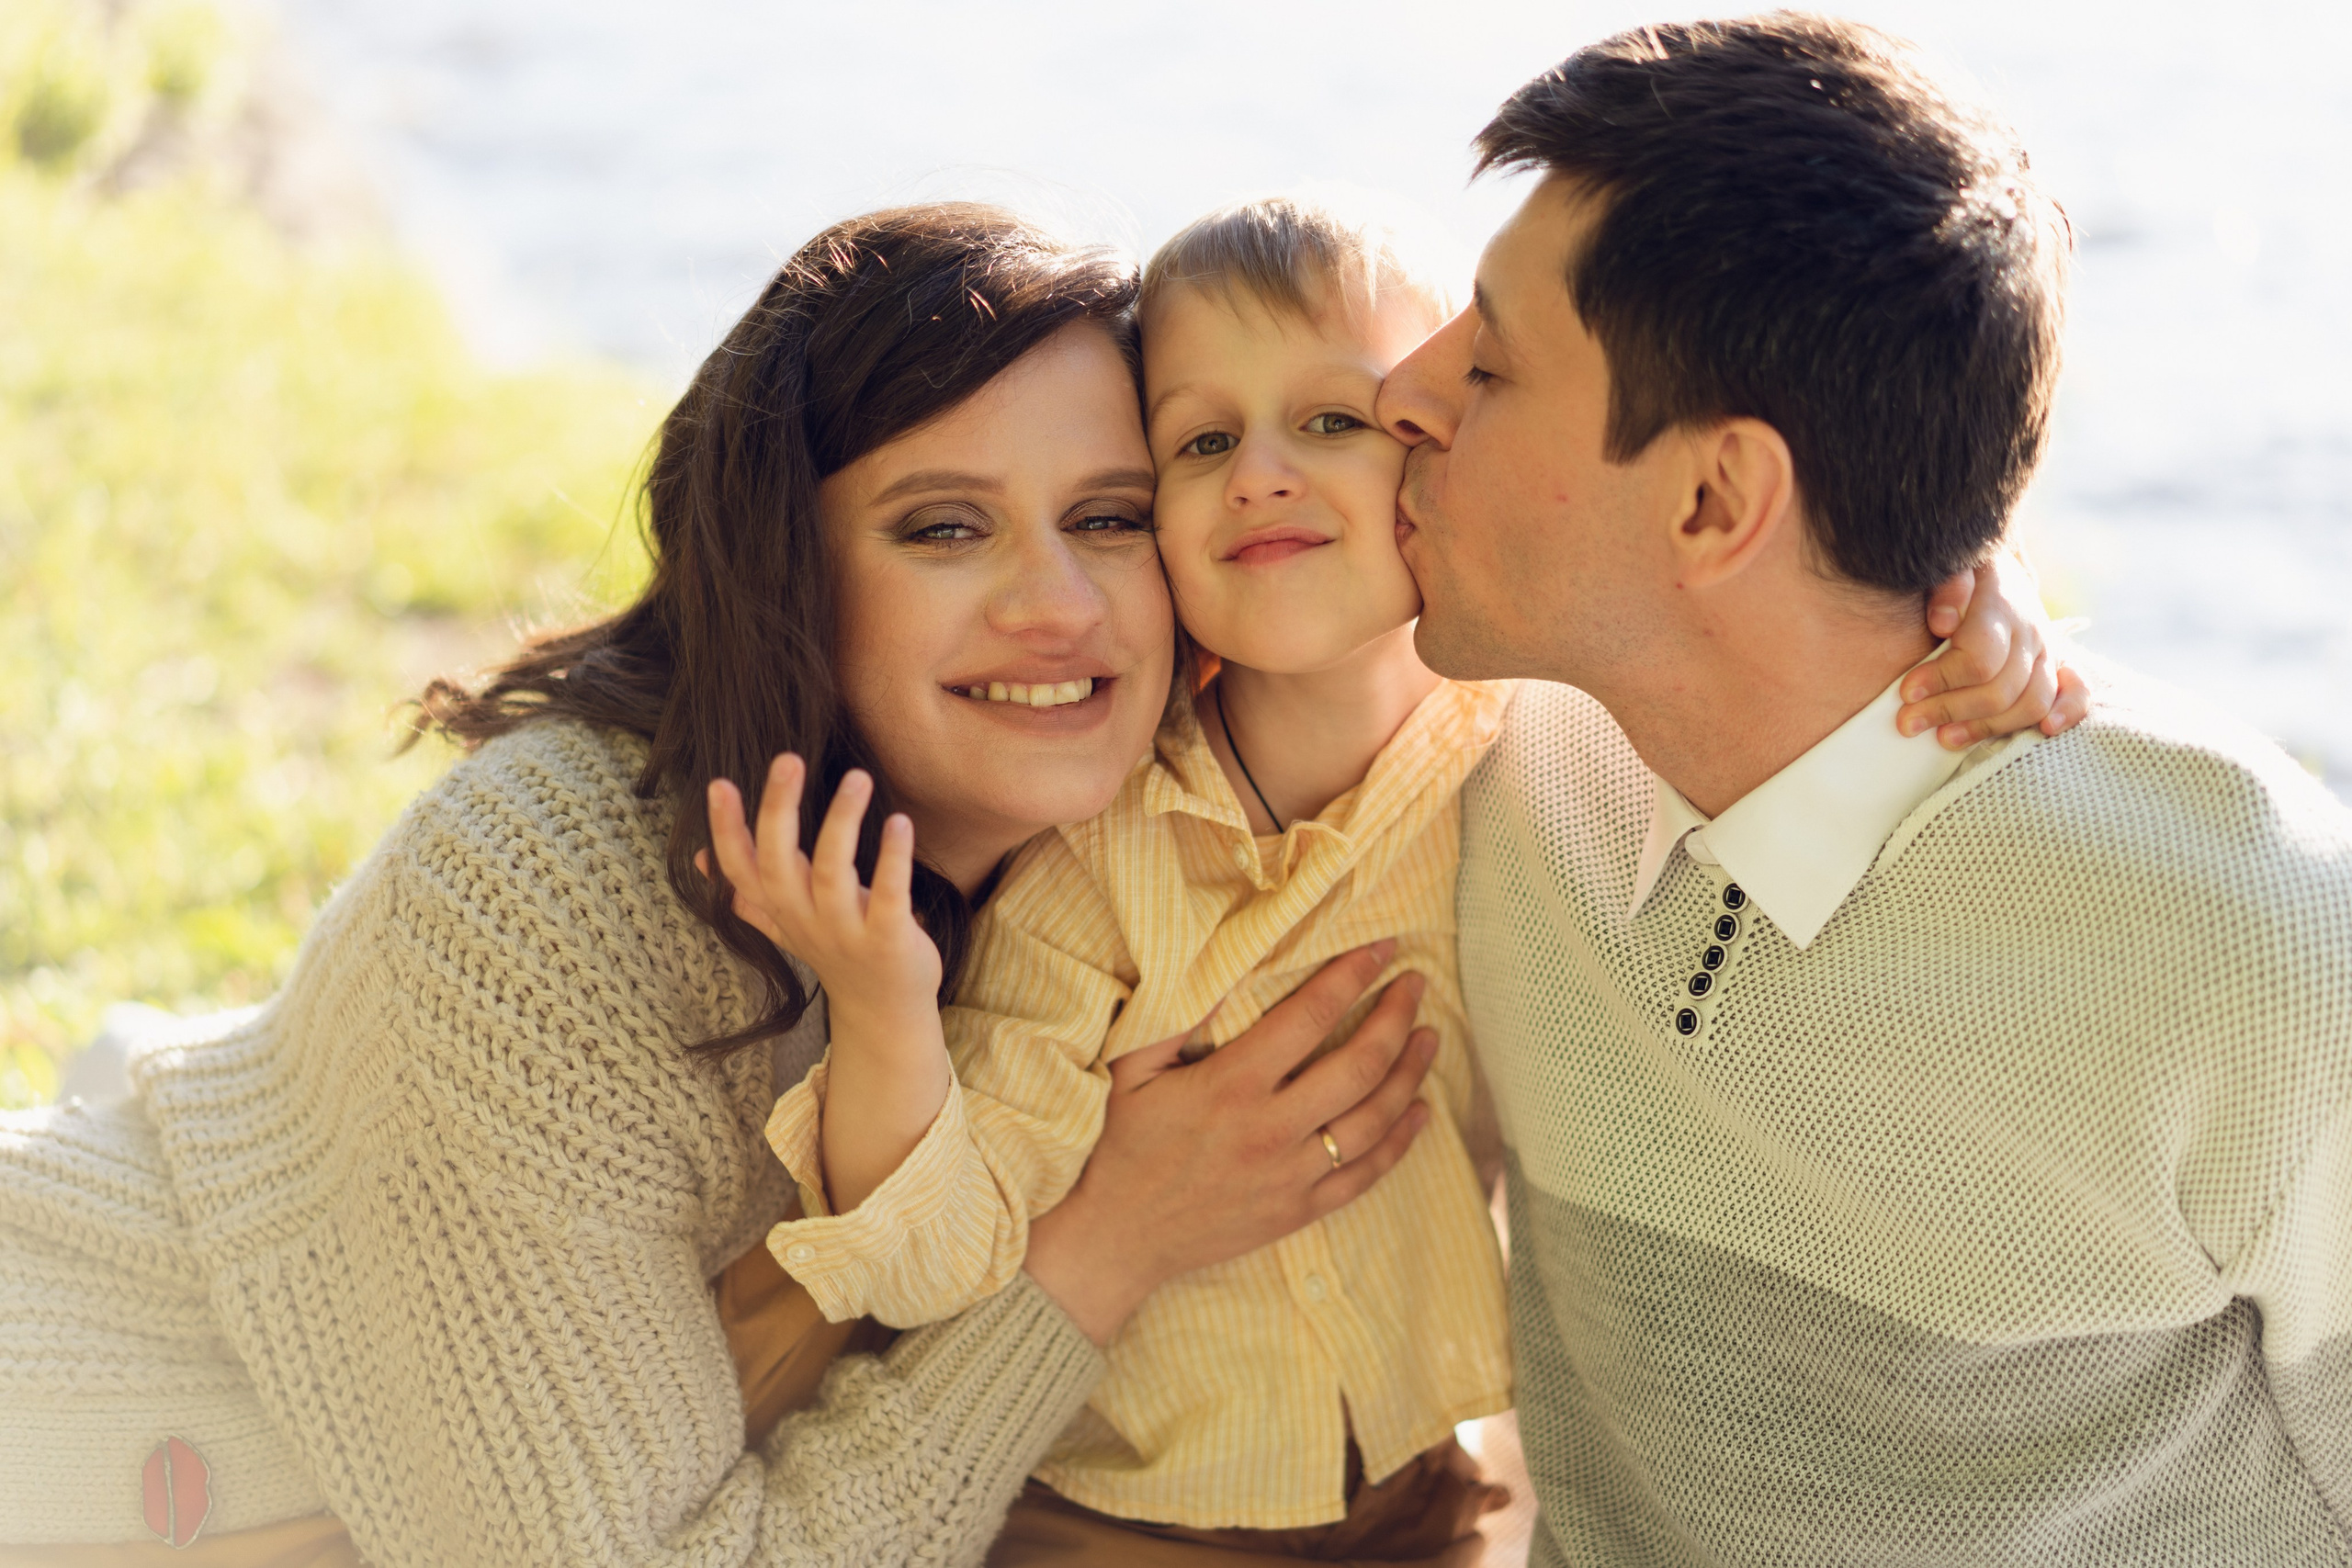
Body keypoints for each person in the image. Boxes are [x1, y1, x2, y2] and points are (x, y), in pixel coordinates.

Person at [0, 204, 1445, 1568]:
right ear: (785, 577)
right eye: (945, 526)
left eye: (1112, 516)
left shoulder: (1104, 840)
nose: (1058, 604)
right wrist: (1106, 1249)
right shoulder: (555, 894)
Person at [718, 192, 2084, 1562]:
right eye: (1200, 442)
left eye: (1333, 422)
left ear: (1442, 459)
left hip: (1433, 1501)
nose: (1259, 473)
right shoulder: (1101, 866)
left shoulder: (1540, 748)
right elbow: (926, 1262)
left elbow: (1746, 599)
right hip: (1120, 1520)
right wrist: (889, 1010)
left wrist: (1970, 577)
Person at [1376, 16, 2352, 1565]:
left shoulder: (2263, 945)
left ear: (1714, 500)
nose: (1400, 396)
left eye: (1487, 362)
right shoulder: (1479, 755)